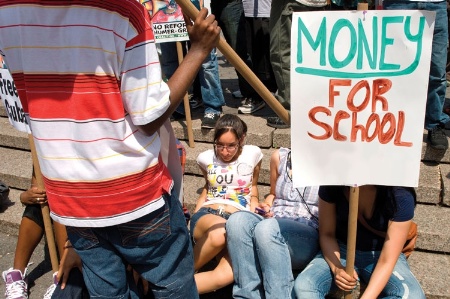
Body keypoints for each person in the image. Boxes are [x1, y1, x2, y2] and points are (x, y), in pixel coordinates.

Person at [0, 1, 221, 298]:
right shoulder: (122, 10)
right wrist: (198, 52)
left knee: (107, 293)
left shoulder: (7, 11)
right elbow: (149, 117)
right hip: (133, 193)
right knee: (174, 287)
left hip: (70, 197)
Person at [294, 185, 426, 298]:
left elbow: (387, 260)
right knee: (304, 285)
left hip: (381, 254)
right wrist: (337, 268)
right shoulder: (332, 184)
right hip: (340, 249)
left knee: (413, 295)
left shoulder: (400, 195)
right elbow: (327, 234)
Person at [226, 147, 320, 298]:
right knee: (237, 221)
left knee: (267, 228)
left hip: (307, 233)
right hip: (273, 222)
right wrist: (267, 206)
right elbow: (273, 194)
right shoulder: (280, 156)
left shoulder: (331, 163)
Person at [190, 114, 263, 294]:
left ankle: (169, 289)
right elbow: (208, 187)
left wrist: (255, 206)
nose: (224, 151)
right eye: (220, 145)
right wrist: (192, 217)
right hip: (210, 214)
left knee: (227, 275)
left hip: (238, 220)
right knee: (219, 234)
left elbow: (253, 188)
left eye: (231, 145)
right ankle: (180, 272)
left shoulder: (253, 154)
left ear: (241, 139)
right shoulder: (204, 158)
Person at [1, 169, 80, 299]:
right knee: (38, 200)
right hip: (56, 196)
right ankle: (16, 275)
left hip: (78, 200)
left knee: (58, 200)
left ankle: (62, 275)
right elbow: (37, 186)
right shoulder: (42, 151)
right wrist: (27, 196)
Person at [384, 0, 450, 150]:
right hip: (398, 4)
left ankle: (434, 123)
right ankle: (393, 122)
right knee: (393, 71)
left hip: (436, 4)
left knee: (437, 73)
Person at [267, 0, 329, 129]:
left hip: (292, 3)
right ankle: (312, 106)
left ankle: (289, 110)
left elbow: (281, 56)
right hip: (318, 3)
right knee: (312, 55)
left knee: (281, 53)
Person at [211, 0, 266, 115]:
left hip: (230, 4)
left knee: (238, 52)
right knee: (232, 52)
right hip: (217, 4)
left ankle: (255, 96)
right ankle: (246, 88)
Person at [238, 0, 278, 116]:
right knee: (253, 52)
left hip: (265, 10)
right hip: (248, 10)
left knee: (264, 56)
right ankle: (260, 91)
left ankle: (264, 94)